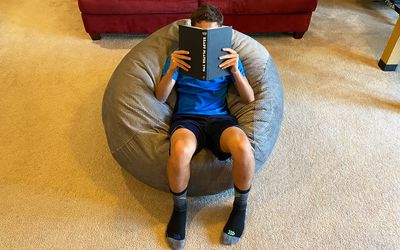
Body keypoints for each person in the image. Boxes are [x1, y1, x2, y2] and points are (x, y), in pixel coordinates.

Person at [155, 3, 255, 249]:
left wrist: (236, 70)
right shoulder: (179, 54)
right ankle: (180, 210)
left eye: (212, 35)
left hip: (220, 118)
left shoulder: (229, 56)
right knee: (179, 151)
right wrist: (174, 69)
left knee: (243, 146)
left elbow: (249, 98)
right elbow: (160, 96)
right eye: (202, 35)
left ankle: (240, 208)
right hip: (188, 118)